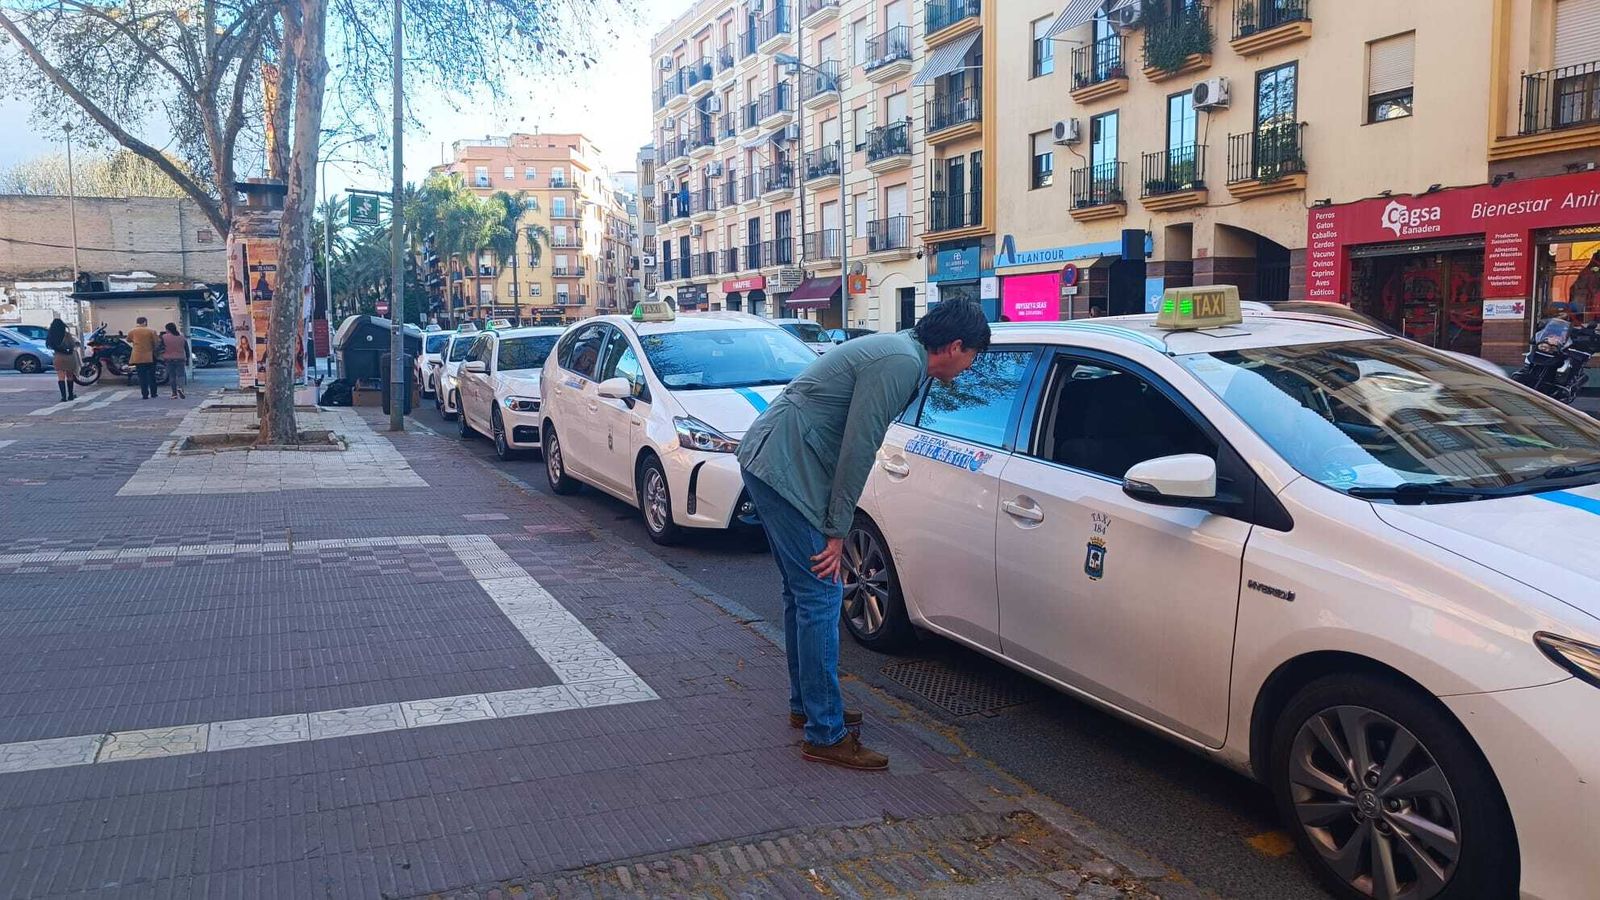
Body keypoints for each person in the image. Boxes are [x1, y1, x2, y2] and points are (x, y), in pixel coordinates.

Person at [738, 301, 990, 771]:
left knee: (803, 595)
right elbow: (859, 449)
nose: (972, 365)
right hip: (783, 467)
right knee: (820, 595)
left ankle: (810, 707)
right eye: (973, 355)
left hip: (775, 459)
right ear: (954, 347)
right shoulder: (899, 363)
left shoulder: (902, 356)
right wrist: (838, 531)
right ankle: (825, 732)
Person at [45, 318, 78, 403]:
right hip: (69, 357)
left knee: (61, 377)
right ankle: (70, 395)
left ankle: (63, 397)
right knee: (70, 376)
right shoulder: (67, 335)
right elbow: (72, 345)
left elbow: (49, 346)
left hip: (58, 357)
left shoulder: (51, 336)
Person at [127, 316, 159, 399]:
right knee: (152, 375)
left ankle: (145, 394)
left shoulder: (132, 331)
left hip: (138, 356)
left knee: (142, 376)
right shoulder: (151, 331)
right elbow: (156, 343)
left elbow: (128, 340)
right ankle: (153, 393)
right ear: (145, 322)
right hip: (149, 356)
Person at [159, 323, 188, 399]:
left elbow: (159, 347)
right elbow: (186, 349)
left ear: (167, 329)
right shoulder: (182, 337)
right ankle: (180, 387)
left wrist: (161, 355)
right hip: (180, 358)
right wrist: (187, 358)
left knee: (172, 376)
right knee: (181, 375)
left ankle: (174, 393)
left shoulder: (164, 337)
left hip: (169, 359)